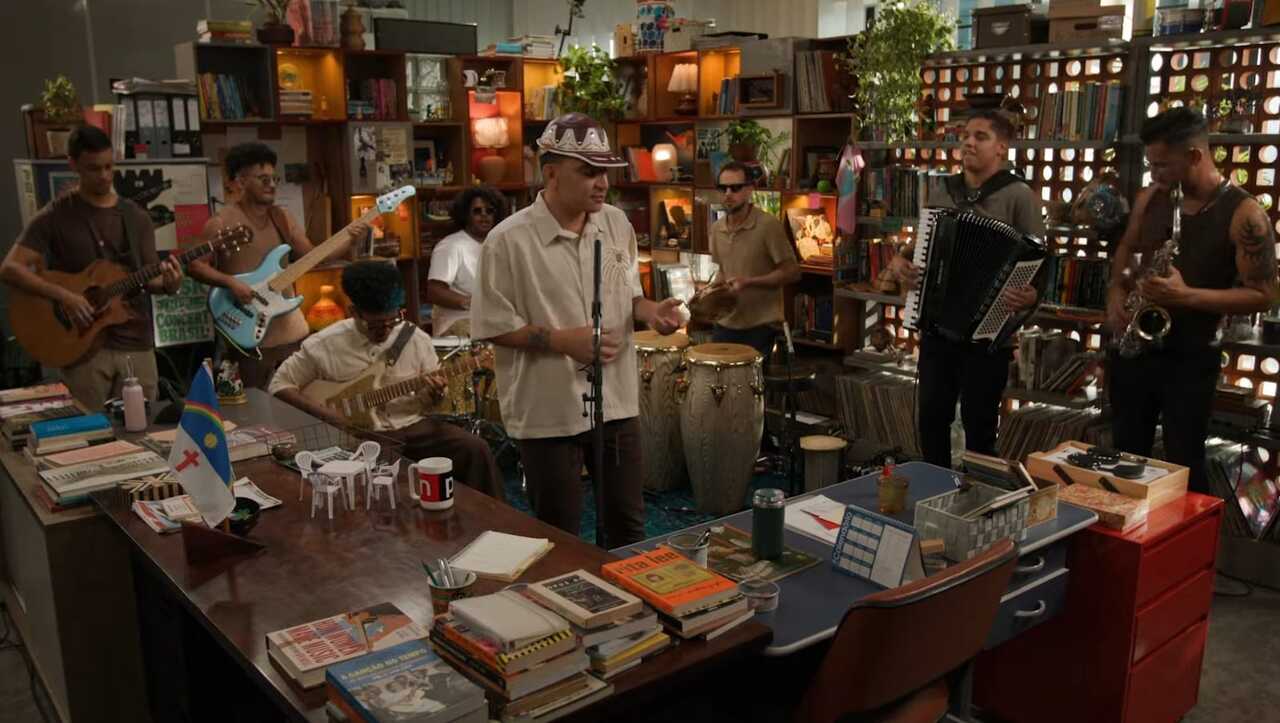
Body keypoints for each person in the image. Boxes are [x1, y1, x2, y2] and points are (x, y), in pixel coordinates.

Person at [471, 113, 683, 547]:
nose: (601, 183)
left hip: (617, 402)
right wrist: (562, 341)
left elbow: (627, 295)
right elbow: (491, 325)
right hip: (547, 409)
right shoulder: (506, 241)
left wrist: (650, 311)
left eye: (604, 171)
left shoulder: (617, 224)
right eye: (588, 172)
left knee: (629, 527)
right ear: (550, 173)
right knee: (558, 534)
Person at [1106, 107, 1277, 494]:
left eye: (1163, 165)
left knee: (1184, 463)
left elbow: (1265, 294)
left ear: (1195, 156)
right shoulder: (1152, 196)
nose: (1154, 174)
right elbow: (1127, 246)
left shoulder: (1245, 213)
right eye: (1151, 164)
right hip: (1134, 350)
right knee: (1124, 457)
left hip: (1191, 358)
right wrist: (1116, 292)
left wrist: (1186, 296)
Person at [269, 260, 504, 500]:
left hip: (411, 425)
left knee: (475, 448)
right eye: (375, 324)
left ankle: (498, 523)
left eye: (392, 320)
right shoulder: (324, 345)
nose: (385, 330)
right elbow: (279, 384)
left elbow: (430, 404)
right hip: (359, 435)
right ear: (354, 312)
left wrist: (434, 394)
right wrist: (324, 413)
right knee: (384, 468)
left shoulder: (415, 339)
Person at [889, 110, 1045, 468]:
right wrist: (900, 264)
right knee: (931, 417)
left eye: (980, 137)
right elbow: (917, 251)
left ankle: (978, 504)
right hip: (938, 328)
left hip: (988, 337)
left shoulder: (1019, 196)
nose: (968, 143)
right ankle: (934, 489)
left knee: (980, 427)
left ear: (1002, 148)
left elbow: (1039, 267)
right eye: (964, 137)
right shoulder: (944, 189)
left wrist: (1029, 294)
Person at [0, 125, 182, 409]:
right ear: (73, 164)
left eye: (109, 166)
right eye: (94, 168)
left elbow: (150, 279)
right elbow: (10, 268)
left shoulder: (136, 217)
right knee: (92, 432)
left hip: (136, 342)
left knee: (145, 428)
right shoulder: (56, 215)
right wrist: (65, 297)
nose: (105, 176)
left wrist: (170, 284)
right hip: (81, 348)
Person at [188, 142, 366, 389]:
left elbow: (315, 257)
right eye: (263, 179)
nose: (271, 184)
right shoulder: (221, 222)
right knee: (258, 411)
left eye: (274, 178)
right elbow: (194, 266)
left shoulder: (282, 218)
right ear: (240, 182)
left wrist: (351, 239)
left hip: (292, 333)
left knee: (300, 404)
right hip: (249, 335)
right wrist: (231, 283)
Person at [708, 161, 801, 363]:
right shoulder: (716, 228)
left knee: (750, 392)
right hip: (724, 324)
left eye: (736, 187)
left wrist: (750, 282)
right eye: (723, 188)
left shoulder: (768, 226)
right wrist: (711, 290)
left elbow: (792, 272)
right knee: (719, 390)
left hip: (760, 327)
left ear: (750, 189)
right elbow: (723, 271)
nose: (728, 194)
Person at [425, 186, 507, 337]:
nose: (484, 216)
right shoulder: (450, 246)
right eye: (477, 211)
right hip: (458, 327)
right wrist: (476, 303)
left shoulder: (499, 244)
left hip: (493, 323)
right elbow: (435, 292)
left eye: (489, 211)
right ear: (465, 215)